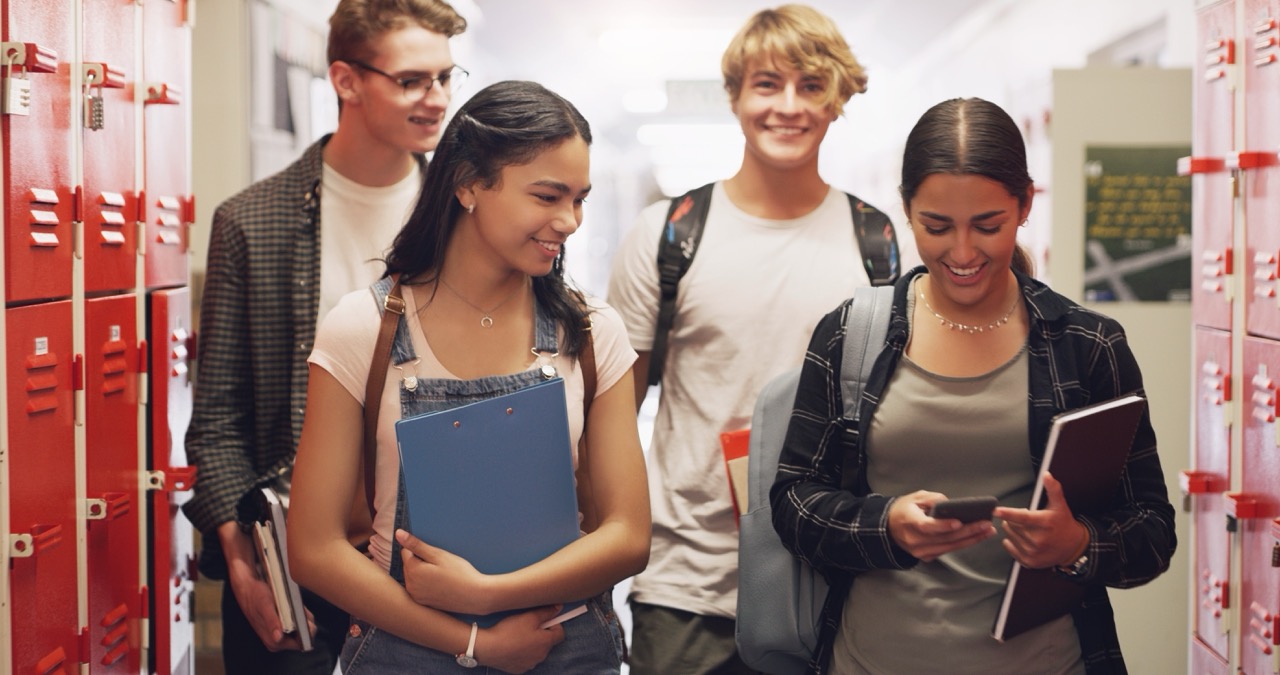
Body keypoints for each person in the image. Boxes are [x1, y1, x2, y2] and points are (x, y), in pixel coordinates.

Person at [771, 97, 1177, 674]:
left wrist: (1079, 545)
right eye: (936, 227)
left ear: (1026, 204)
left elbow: (1153, 531)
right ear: (907, 209)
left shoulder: (1088, 346)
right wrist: (883, 525)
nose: (962, 253)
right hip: (870, 659)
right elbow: (791, 502)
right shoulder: (849, 334)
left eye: (989, 225)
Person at [287, 79, 651, 674]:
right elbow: (314, 548)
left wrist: (486, 596)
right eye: (547, 195)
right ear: (468, 185)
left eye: (579, 198)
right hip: (403, 647)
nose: (570, 220)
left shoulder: (589, 333)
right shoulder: (364, 327)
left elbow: (628, 535)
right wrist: (474, 642)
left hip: (561, 644)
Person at [606, 5, 900, 673]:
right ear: (735, 96)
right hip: (688, 584)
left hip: (832, 579)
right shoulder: (670, 234)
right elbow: (613, 416)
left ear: (838, 99)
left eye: (811, 85)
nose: (788, 106)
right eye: (767, 84)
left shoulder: (880, 243)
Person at [182, 1, 467, 671]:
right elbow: (218, 425)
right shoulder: (253, 222)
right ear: (345, 80)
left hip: (431, 555)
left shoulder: (462, 220)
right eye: (412, 81)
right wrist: (242, 563)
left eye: (447, 78)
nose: (438, 99)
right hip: (292, 568)